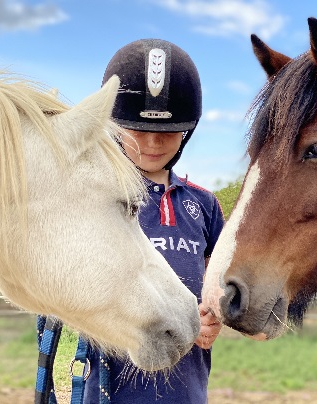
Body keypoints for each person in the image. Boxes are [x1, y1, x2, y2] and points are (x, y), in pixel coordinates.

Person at [81, 39, 225, 403]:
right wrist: (172, 319)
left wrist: (209, 319)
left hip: (186, 390)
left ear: (187, 130)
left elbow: (214, 288)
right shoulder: (97, 199)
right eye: (137, 130)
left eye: (167, 131)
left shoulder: (204, 204)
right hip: (112, 391)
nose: (152, 143)